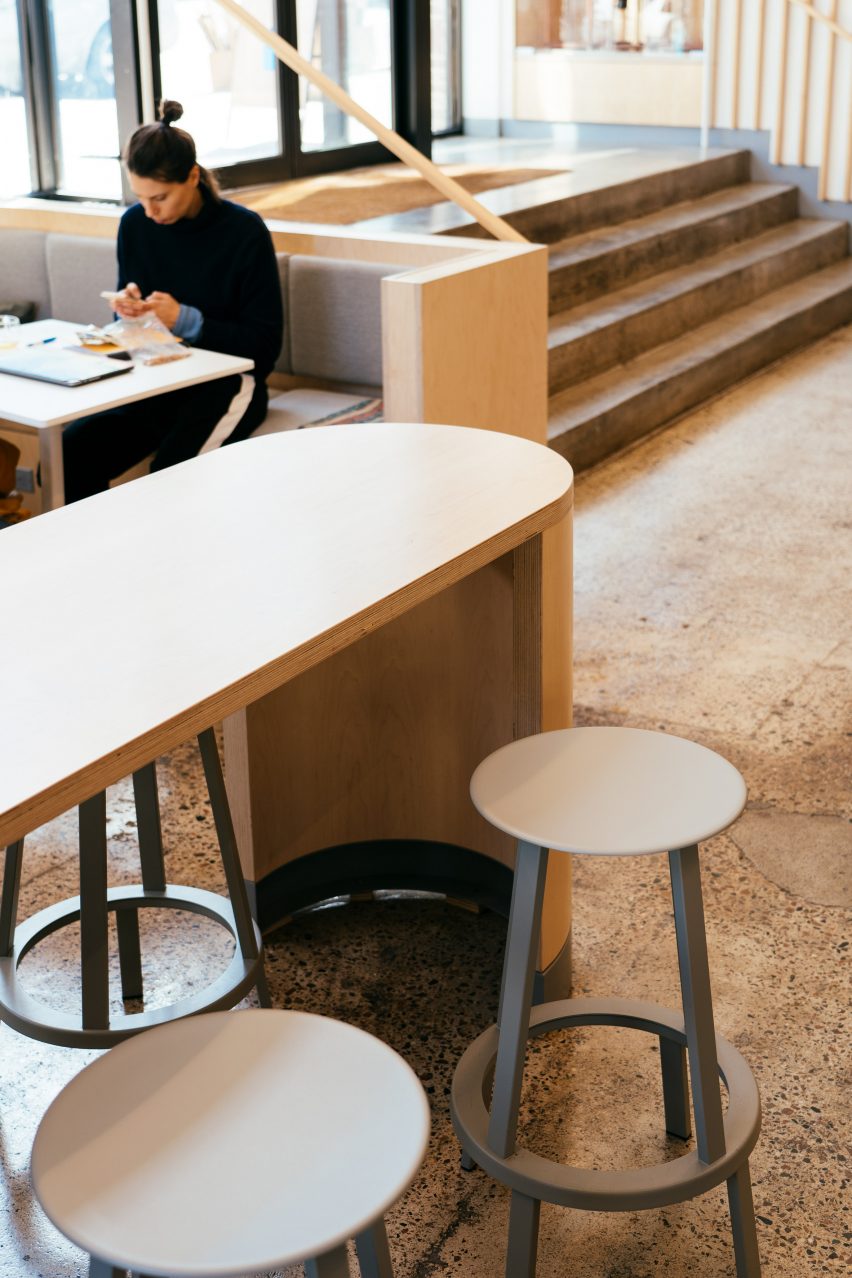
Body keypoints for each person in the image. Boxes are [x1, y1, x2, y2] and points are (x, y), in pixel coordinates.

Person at [62, 100, 284, 504]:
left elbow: (265, 349)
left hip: (230, 385)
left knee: (170, 478)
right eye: (140, 198)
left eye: (160, 197)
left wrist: (185, 320)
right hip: (159, 380)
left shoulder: (243, 232)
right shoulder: (135, 225)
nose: (149, 211)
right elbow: (139, 323)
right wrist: (128, 312)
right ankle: (89, 561)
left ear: (193, 176)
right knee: (70, 453)